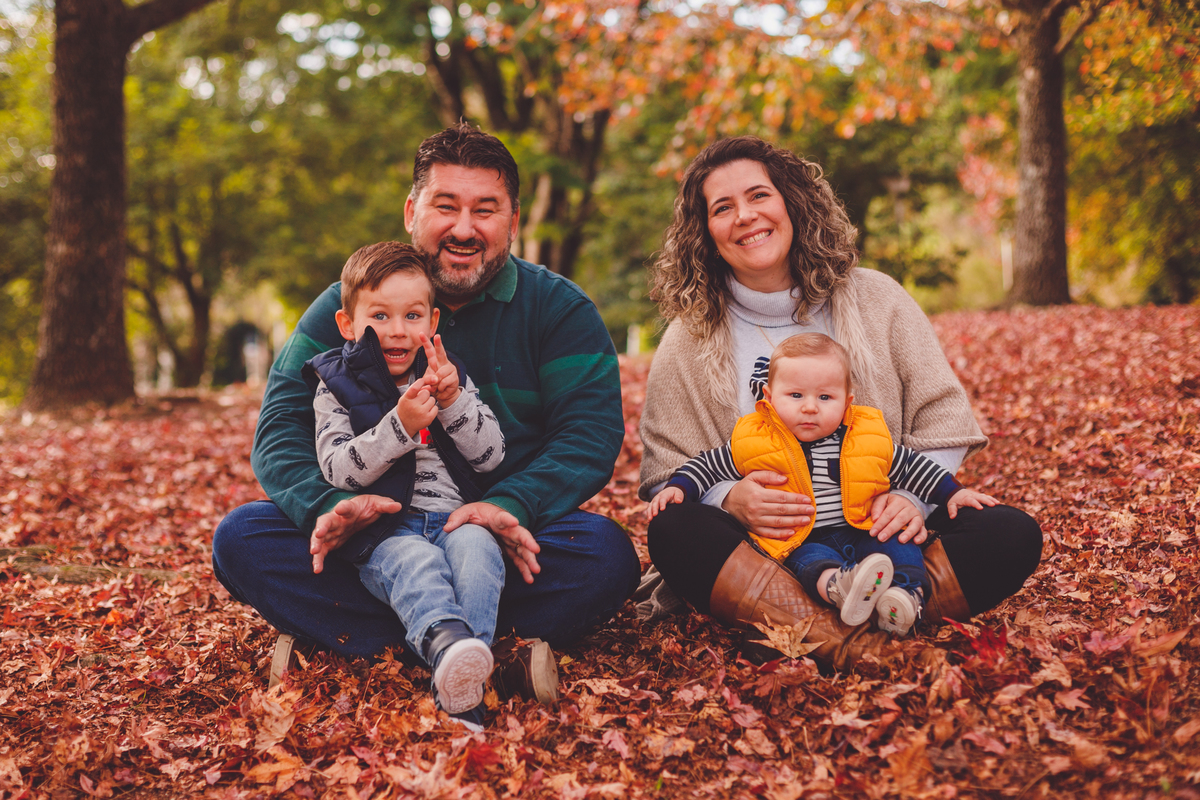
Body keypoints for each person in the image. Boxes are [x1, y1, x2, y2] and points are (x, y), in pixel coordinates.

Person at [212, 124, 641, 710]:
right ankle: (477, 658)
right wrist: (328, 508)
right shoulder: (348, 308)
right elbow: (281, 427)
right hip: (374, 535)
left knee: (605, 556)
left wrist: (508, 505)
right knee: (242, 539)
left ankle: (375, 649)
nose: (464, 228)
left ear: (512, 222)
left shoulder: (560, 310)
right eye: (446, 206)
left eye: (485, 210)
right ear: (413, 210)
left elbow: (588, 437)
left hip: (495, 537)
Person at [637, 136, 1042, 670]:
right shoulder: (687, 339)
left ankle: (865, 615)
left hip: (884, 535)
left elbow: (942, 417)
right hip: (769, 553)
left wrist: (911, 503)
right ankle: (857, 640)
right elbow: (669, 475)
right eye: (722, 207)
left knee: (1010, 532)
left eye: (759, 195)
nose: (745, 216)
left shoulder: (877, 298)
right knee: (673, 531)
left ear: (792, 202)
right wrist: (730, 499)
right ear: (705, 232)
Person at [647, 333, 1000, 636]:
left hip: (864, 525)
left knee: (899, 545)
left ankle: (905, 599)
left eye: (825, 398)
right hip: (802, 535)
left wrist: (955, 492)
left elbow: (913, 467)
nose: (810, 408)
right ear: (769, 397)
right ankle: (840, 589)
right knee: (810, 562)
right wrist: (680, 486)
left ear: (848, 402)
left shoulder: (866, 437)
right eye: (796, 396)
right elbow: (708, 465)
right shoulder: (753, 439)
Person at [305, 241, 506, 729]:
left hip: (456, 518)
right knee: (415, 564)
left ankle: (462, 677)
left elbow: (491, 457)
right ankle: (449, 651)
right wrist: (399, 425)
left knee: (480, 555)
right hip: (388, 530)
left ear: (432, 323)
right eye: (379, 315)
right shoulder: (335, 384)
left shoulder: (447, 376)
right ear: (348, 324)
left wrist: (455, 401)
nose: (397, 331)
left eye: (413, 315)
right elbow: (337, 469)